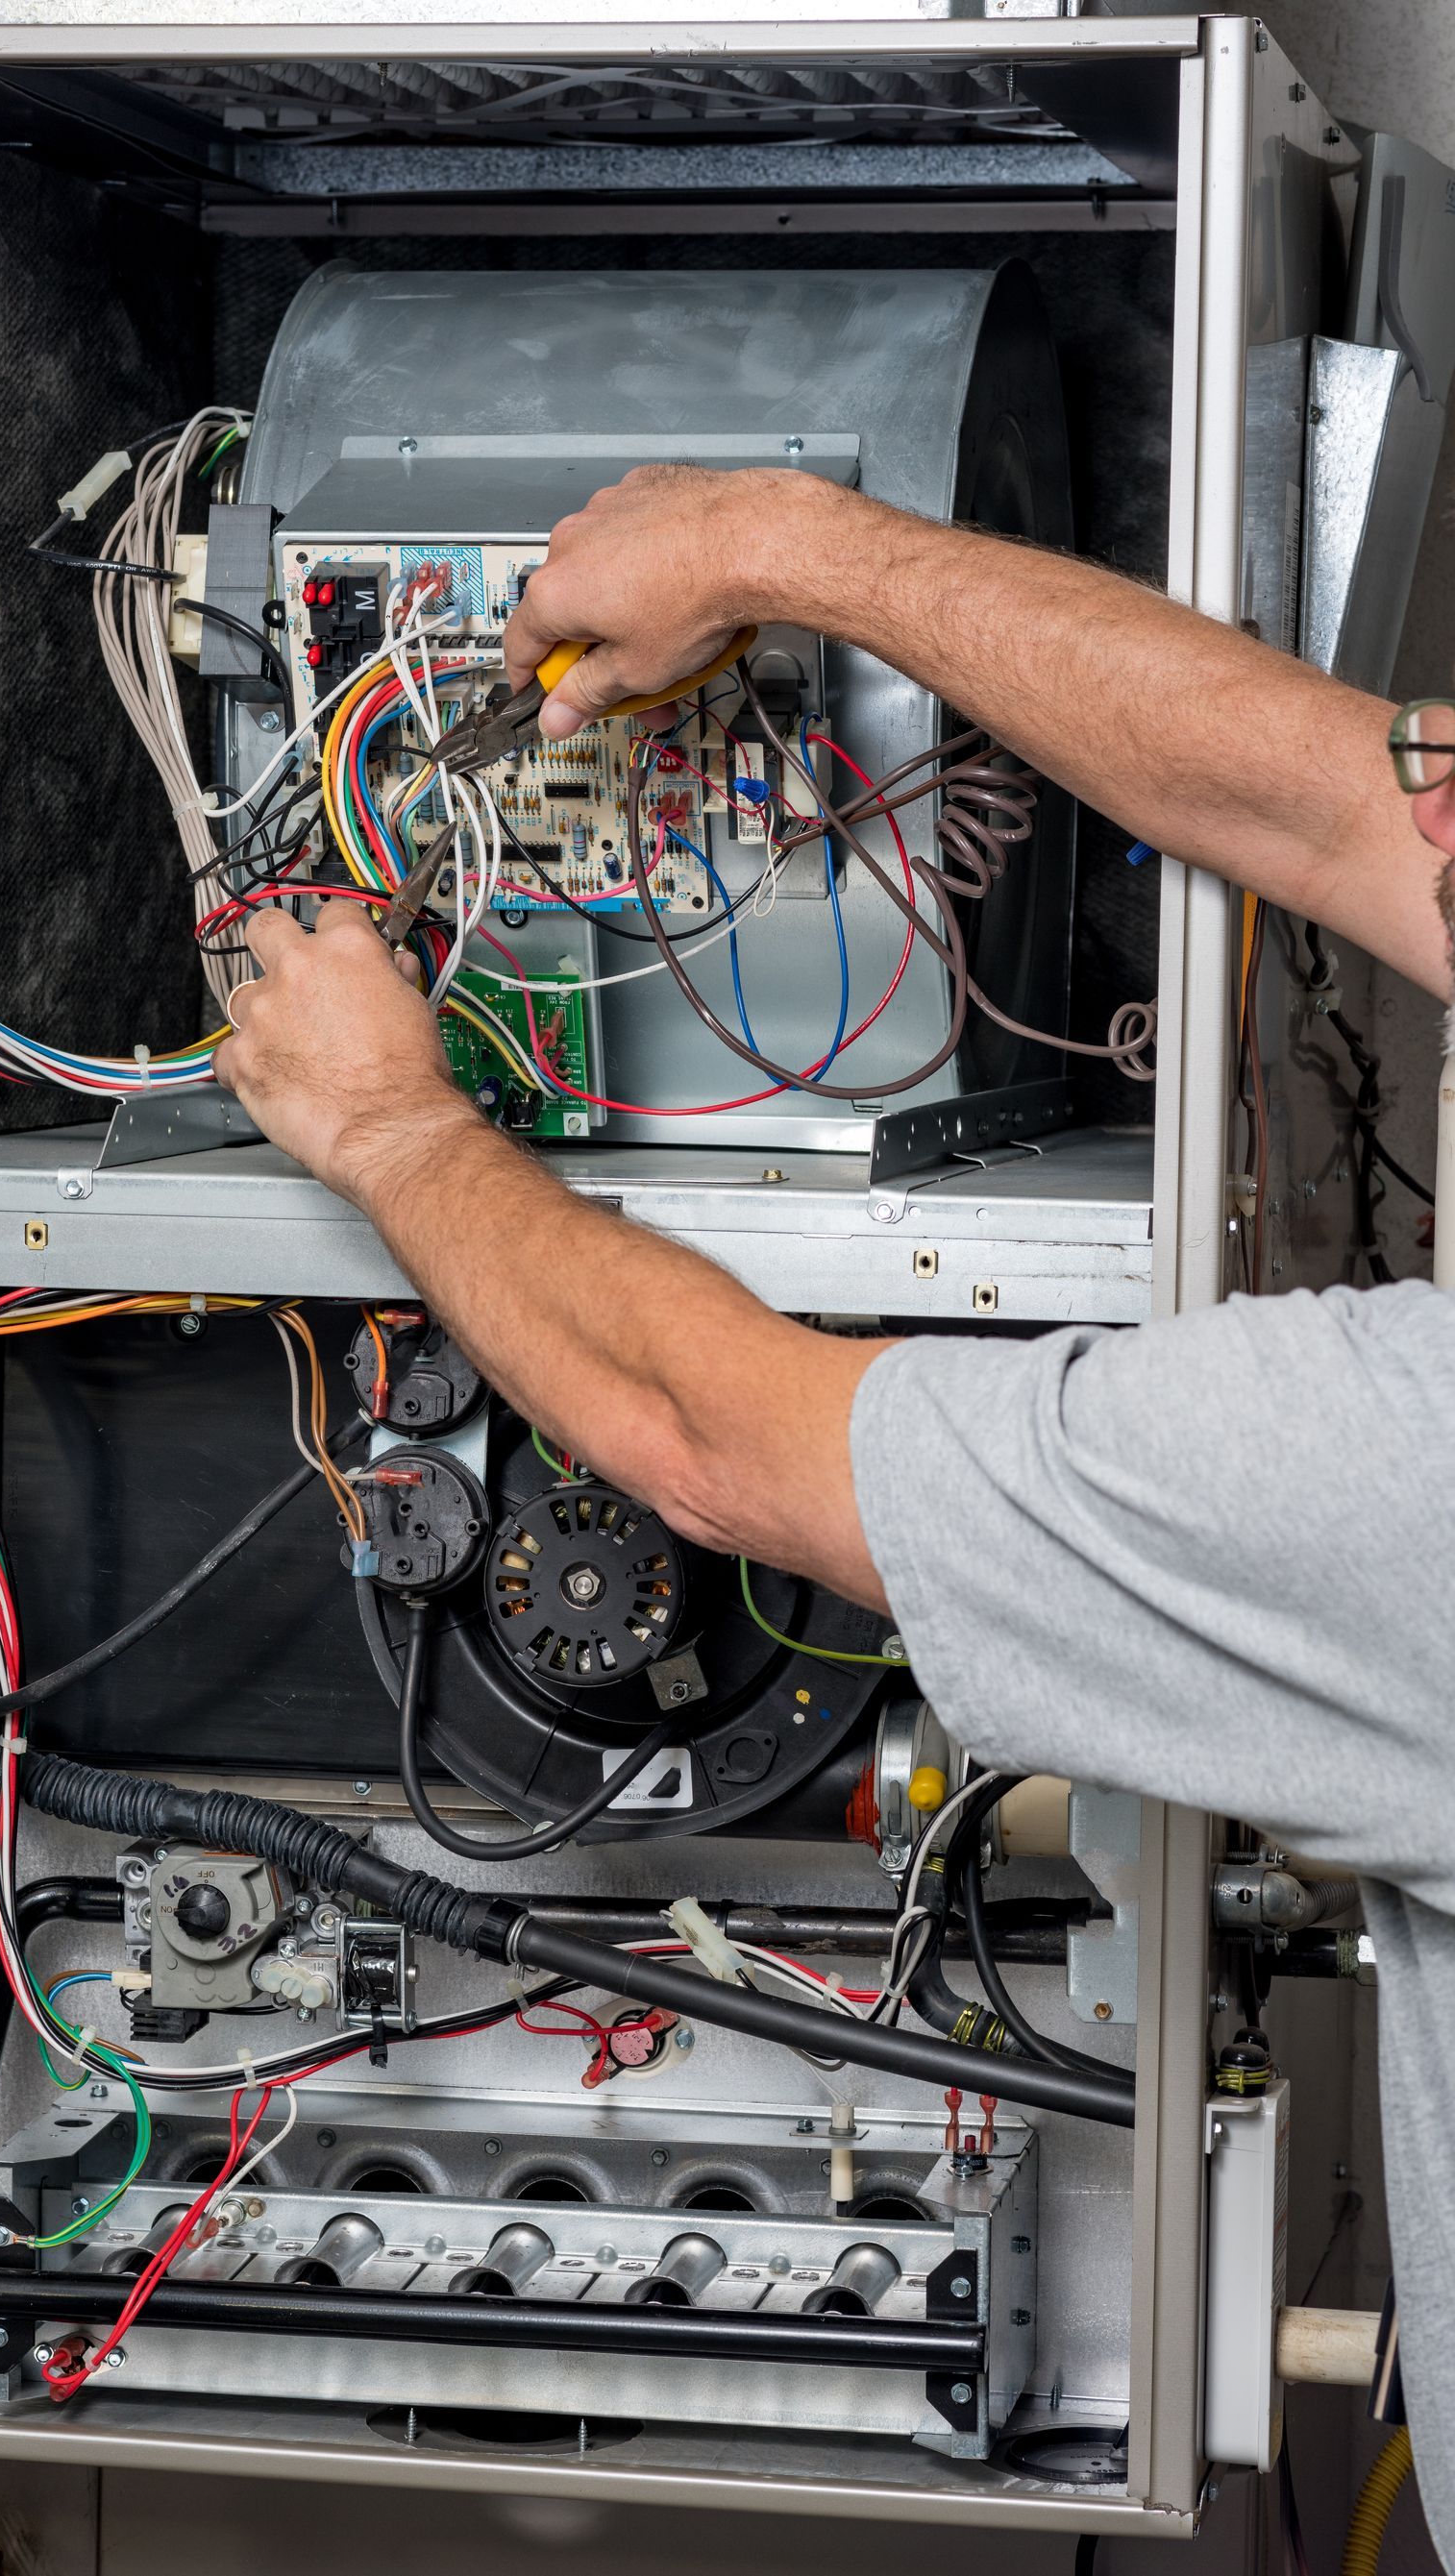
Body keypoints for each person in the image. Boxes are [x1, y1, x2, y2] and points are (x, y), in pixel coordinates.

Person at [213, 465, 1455, 2554]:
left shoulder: (1400, 1476)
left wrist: (391, 1125)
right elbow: (1340, 803)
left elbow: (721, 1446)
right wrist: (783, 543)